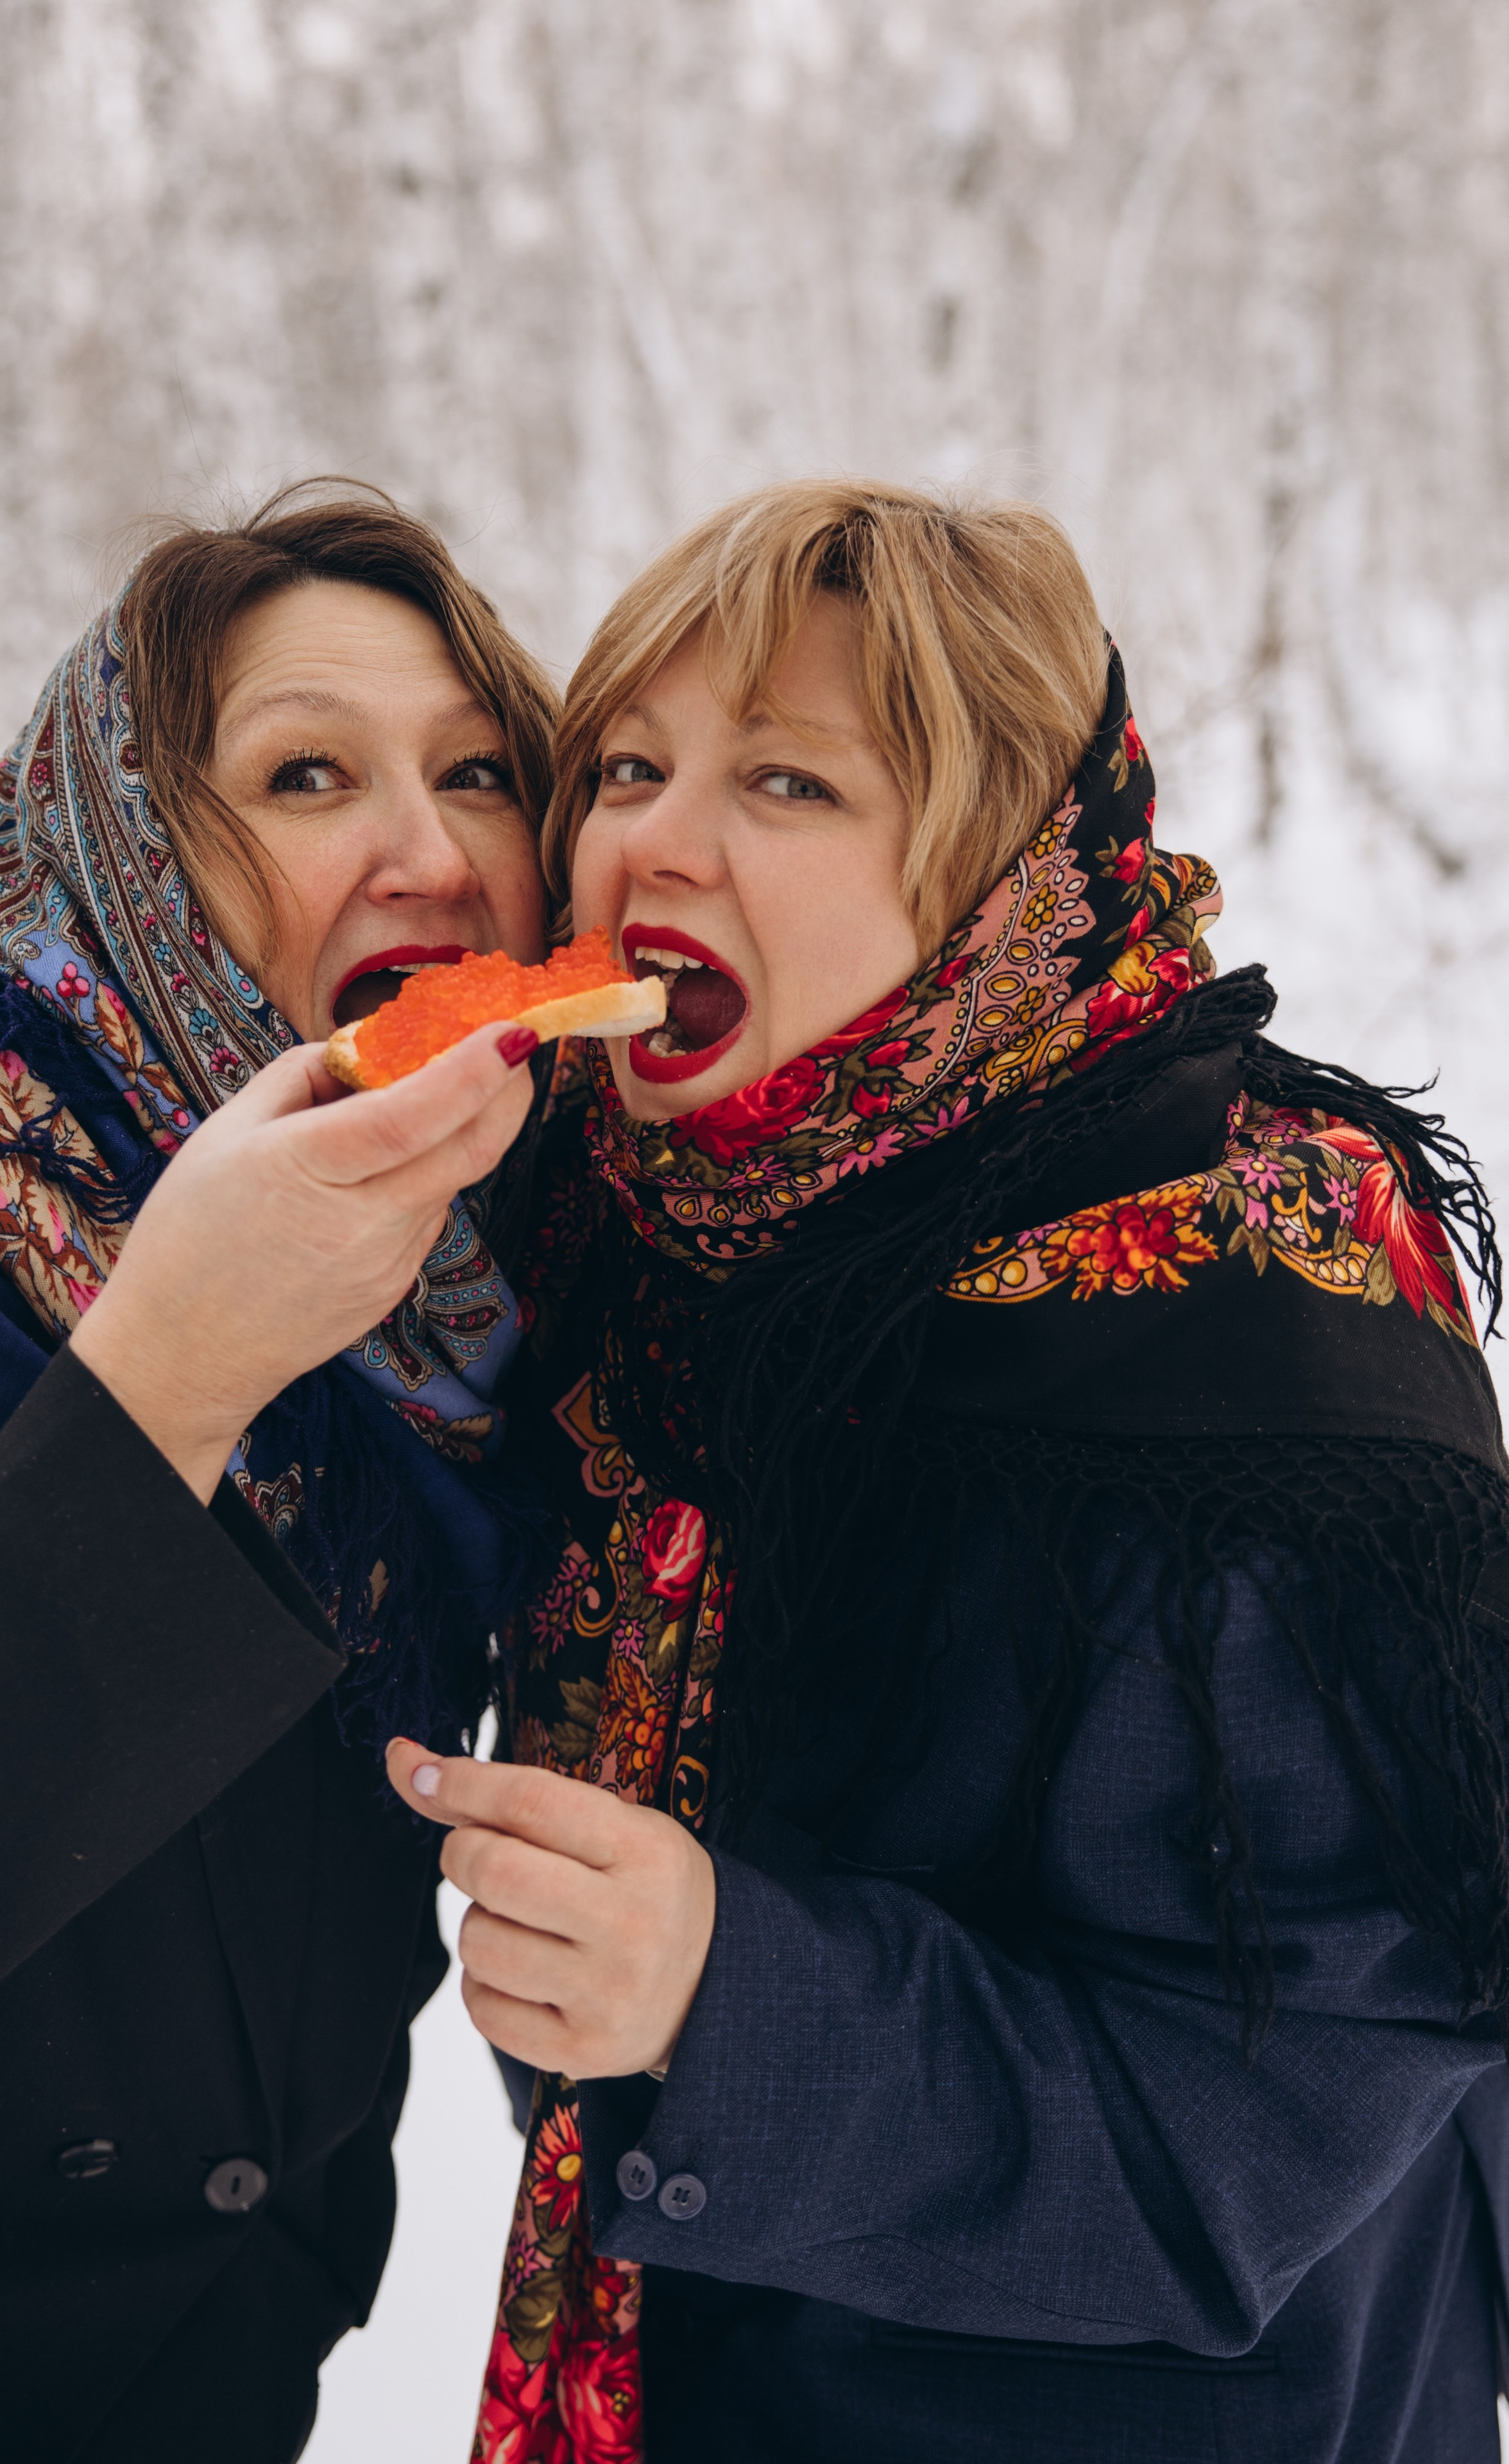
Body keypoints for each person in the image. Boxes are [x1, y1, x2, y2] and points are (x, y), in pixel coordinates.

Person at [389, 480, 1509, 2463]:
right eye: (626, 763)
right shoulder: (638, 1231)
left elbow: (1281, 2119)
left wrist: (731, 2000)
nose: (652, 836)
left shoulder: (1251, 1349)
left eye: (791, 783)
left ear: (999, 868)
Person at [0, 486, 559, 2460]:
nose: (428, 857)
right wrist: (164, 1378)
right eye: (306, 774)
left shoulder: (469, 1331)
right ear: (121, 858)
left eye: (480, 773)